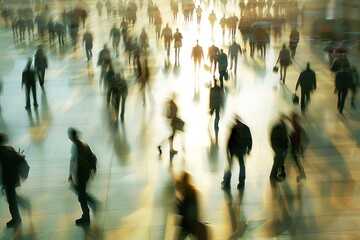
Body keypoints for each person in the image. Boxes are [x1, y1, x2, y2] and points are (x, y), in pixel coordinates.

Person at [67, 127, 97, 225]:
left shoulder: (76, 147)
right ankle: (90, 204)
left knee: (81, 196)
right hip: (85, 173)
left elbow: (73, 161)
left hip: (81, 174)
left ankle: (86, 215)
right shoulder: (84, 145)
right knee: (81, 193)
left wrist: (71, 174)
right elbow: (91, 157)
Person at [221, 116, 252, 190]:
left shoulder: (234, 128)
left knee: (230, 166)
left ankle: (226, 181)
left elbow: (229, 140)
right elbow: (249, 139)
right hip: (241, 150)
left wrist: (227, 151)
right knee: (242, 166)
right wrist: (249, 149)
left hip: (233, 150)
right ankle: (241, 182)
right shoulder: (246, 128)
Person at [175, 171, 207, 240]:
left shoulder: (188, 193)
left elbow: (183, 211)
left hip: (188, 224)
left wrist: (178, 203)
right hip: (193, 223)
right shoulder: (192, 191)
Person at [0, 133, 22, 228]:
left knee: (11, 199)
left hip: (7, 180)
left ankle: (16, 218)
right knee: (12, 198)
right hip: (12, 179)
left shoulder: (1, 153)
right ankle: (16, 216)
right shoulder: (9, 149)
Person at [287, 112, 307, 182]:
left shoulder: (296, 126)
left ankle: (302, 174)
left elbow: (297, 137)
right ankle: (302, 174)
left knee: (294, 162)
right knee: (295, 162)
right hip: (294, 148)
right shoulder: (295, 125)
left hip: (294, 148)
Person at [269, 115, 288, 183]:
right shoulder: (278, 127)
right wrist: (275, 146)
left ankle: (280, 173)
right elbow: (273, 138)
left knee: (279, 160)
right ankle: (273, 175)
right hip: (279, 147)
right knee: (277, 161)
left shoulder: (283, 126)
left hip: (281, 147)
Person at [209, 78, 224, 143]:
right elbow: (221, 98)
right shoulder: (219, 89)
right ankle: (216, 124)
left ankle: (213, 124)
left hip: (214, 104)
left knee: (213, 114)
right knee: (217, 115)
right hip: (217, 104)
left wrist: (210, 105)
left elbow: (210, 98)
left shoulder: (212, 89)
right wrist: (222, 105)